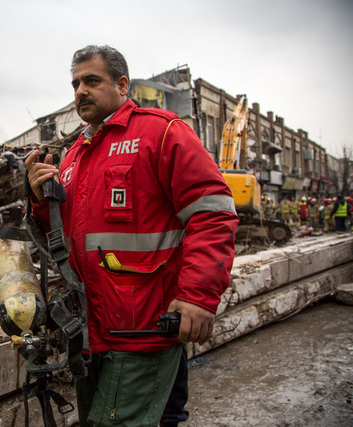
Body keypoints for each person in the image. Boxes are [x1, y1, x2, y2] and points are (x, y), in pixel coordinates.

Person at [25, 45, 239, 426]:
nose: (79, 91)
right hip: (91, 333)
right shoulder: (75, 155)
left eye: (92, 81)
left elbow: (213, 214)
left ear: (122, 84)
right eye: (75, 84)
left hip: (144, 330)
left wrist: (197, 297)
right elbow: (66, 234)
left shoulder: (163, 132)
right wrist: (42, 199)